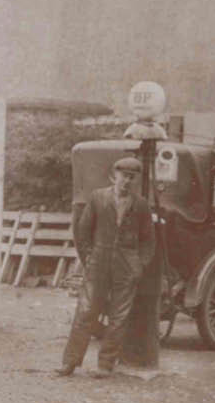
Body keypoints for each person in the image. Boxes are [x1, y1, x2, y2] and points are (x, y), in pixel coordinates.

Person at [57, 156, 155, 378]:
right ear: (114, 175)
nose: (127, 181)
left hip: (127, 265)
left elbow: (149, 241)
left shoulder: (140, 205)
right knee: (86, 311)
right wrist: (89, 259)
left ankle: (105, 365)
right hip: (98, 262)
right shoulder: (98, 198)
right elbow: (83, 232)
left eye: (132, 177)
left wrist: (139, 265)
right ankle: (69, 362)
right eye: (124, 176)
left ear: (137, 180)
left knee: (119, 316)